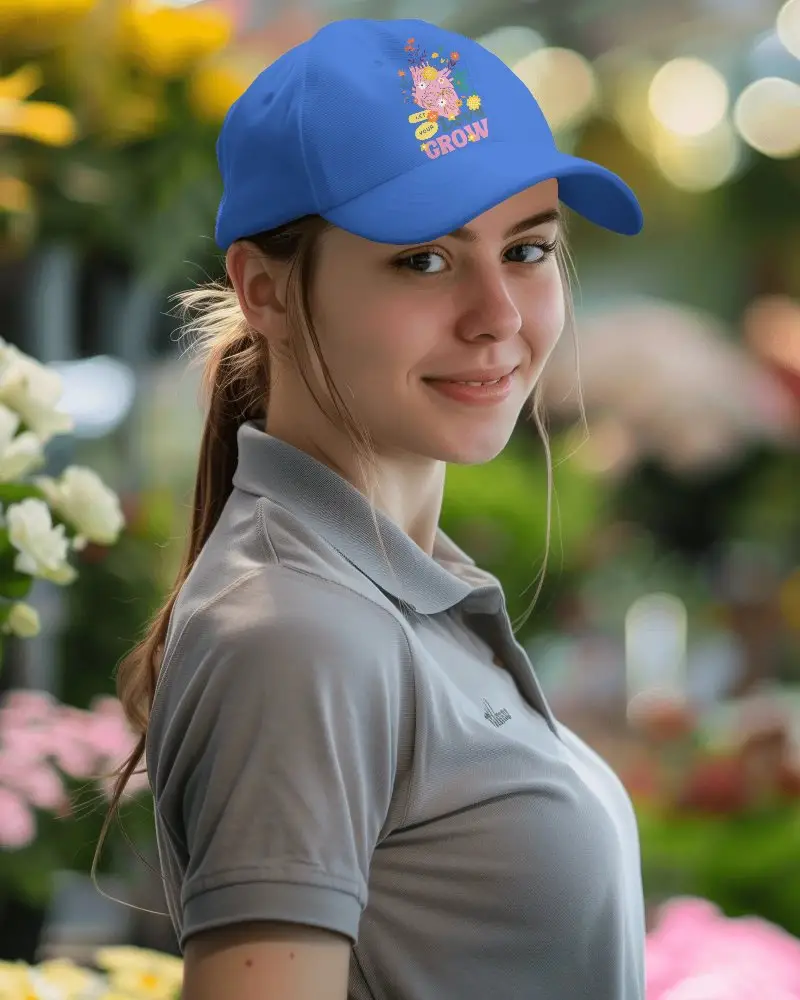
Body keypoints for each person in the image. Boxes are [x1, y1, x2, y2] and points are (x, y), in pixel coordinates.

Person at [95, 16, 646, 1000]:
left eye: (524, 250)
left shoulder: (380, 593)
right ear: (264, 291)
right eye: (424, 260)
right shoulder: (299, 632)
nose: (499, 317)